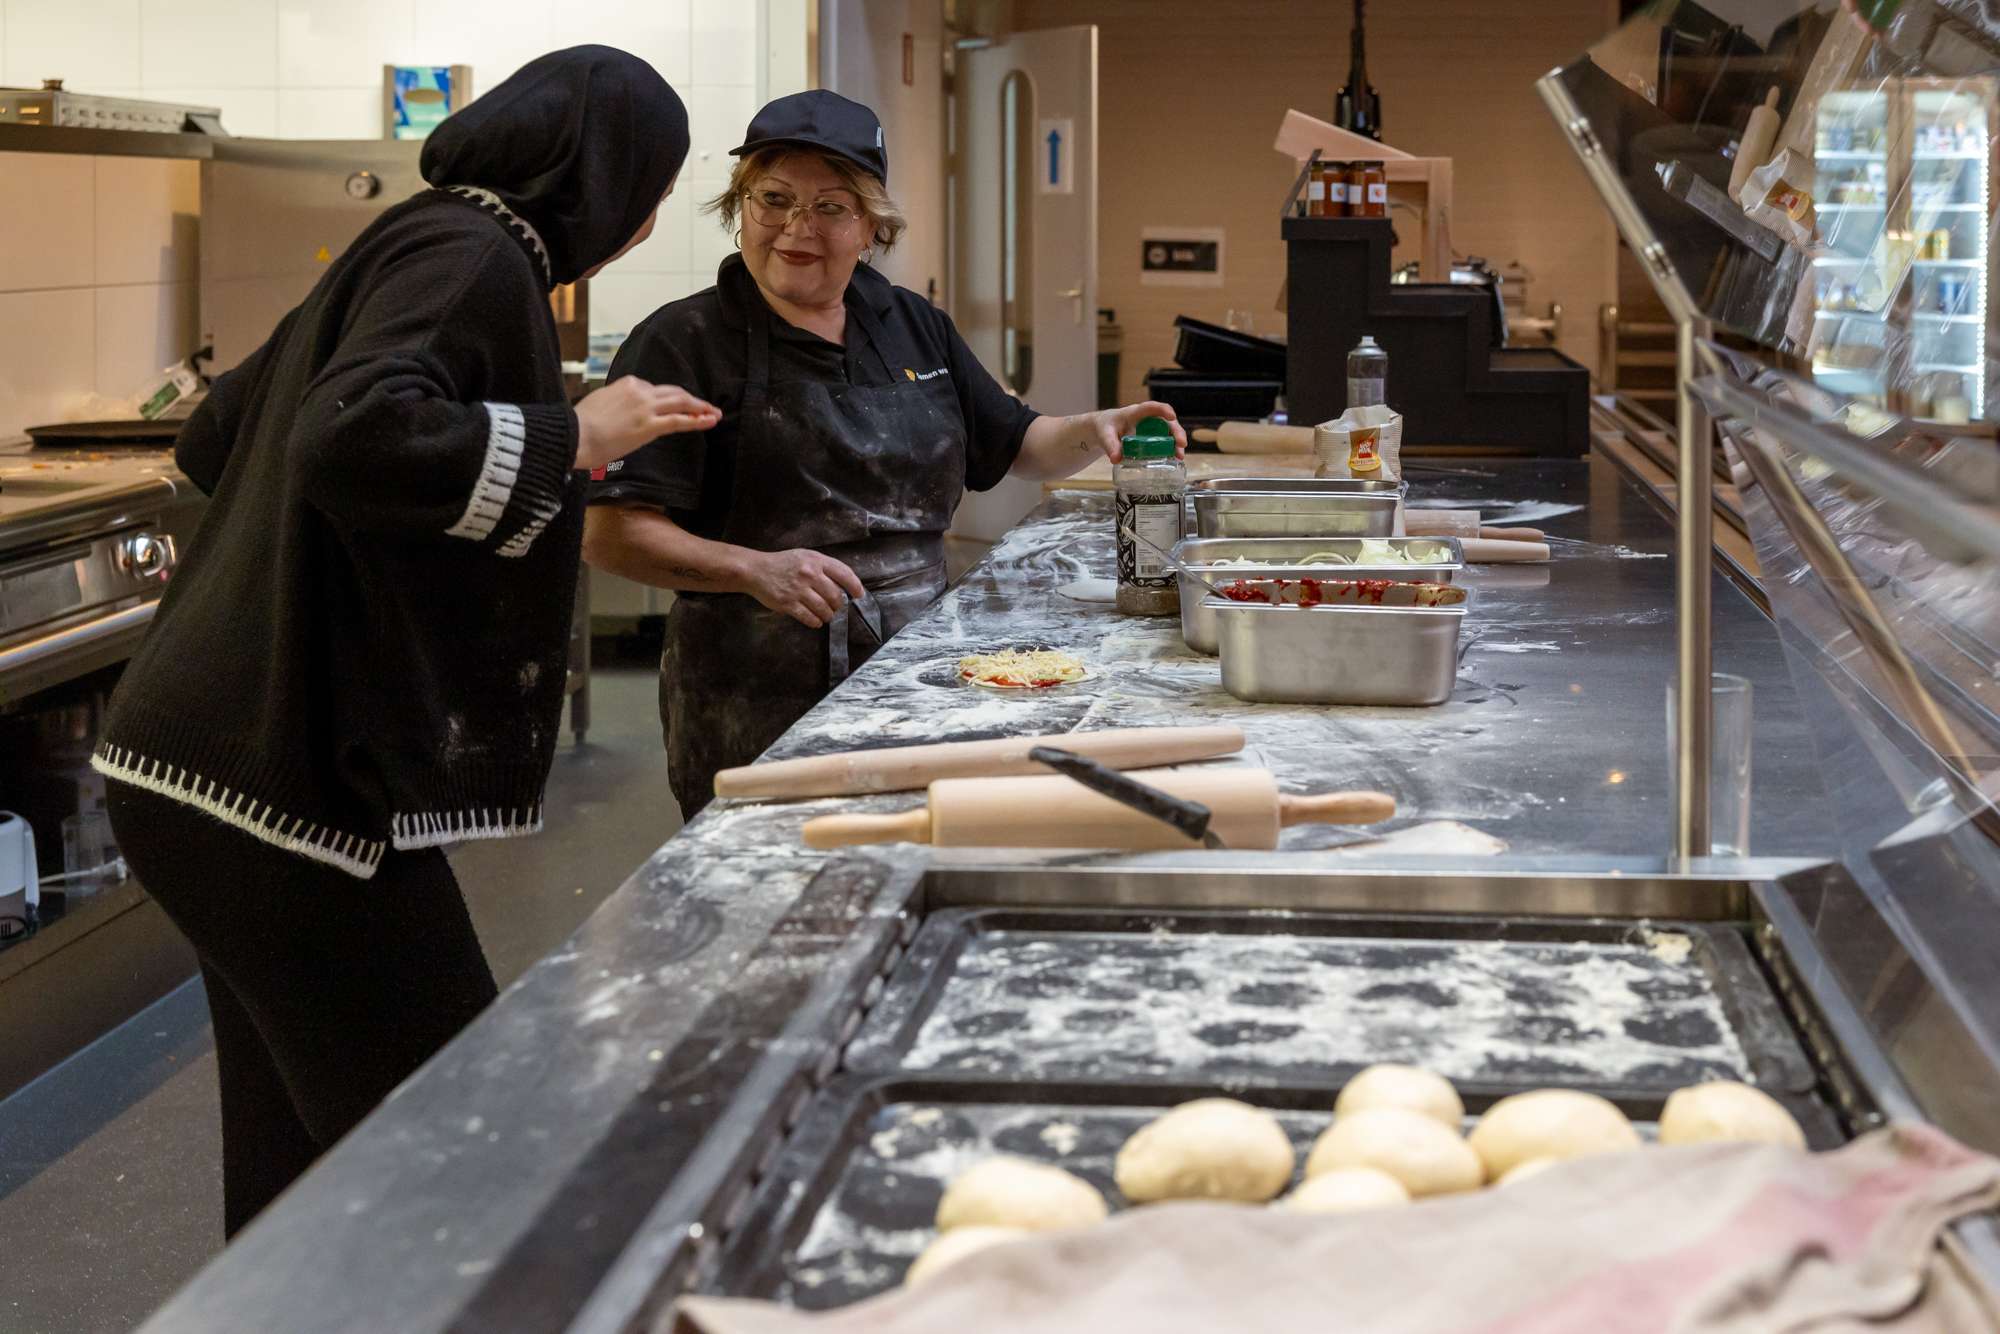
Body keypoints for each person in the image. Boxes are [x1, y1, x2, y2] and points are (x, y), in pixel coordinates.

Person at [95, 47, 718, 1236]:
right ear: (601, 180)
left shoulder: (417, 233)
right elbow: (349, 441)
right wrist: (574, 433)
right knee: (463, 1152)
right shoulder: (477, 256)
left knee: (296, 1169)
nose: (637, 231)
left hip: (193, 760)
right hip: (280, 778)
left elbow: (219, 435)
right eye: (646, 193)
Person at [583, 90, 1185, 816]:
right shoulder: (684, 342)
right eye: (772, 200)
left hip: (921, 669)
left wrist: (1097, 427)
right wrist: (754, 570)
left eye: (831, 207)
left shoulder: (909, 325)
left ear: (871, 224)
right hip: (754, 685)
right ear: (739, 208)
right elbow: (611, 533)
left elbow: (1020, 443)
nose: (796, 229)